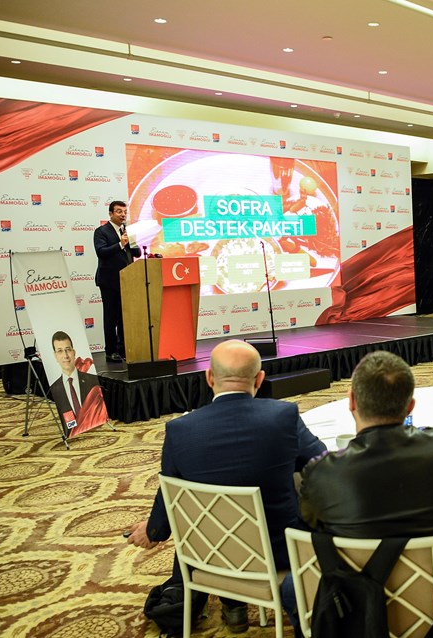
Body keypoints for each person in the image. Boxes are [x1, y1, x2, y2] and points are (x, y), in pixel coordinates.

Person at [128, 340, 326, 633]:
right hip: (278, 554)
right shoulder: (283, 416)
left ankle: (233, 607)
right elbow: (323, 465)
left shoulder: (179, 430)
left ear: (209, 377)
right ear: (260, 379)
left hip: (207, 555)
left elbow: (169, 492)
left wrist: (154, 530)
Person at [288, 351, 433, 637]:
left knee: (291, 587)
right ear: (410, 406)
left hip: (352, 607)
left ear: (351, 401)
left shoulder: (321, 472)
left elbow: (309, 523)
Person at [94, 200, 141, 362]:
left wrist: (131, 242)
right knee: (111, 318)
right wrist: (121, 244)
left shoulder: (127, 231)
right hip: (109, 281)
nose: (123, 215)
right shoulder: (101, 231)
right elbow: (101, 252)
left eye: (125, 212)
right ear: (111, 214)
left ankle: (123, 349)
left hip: (127, 281)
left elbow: (137, 253)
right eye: (119, 211)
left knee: (124, 317)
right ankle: (111, 351)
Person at [47, 330, 106, 437]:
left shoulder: (92, 381)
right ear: (55, 356)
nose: (65, 355)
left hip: (95, 429)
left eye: (68, 350)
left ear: (74, 352)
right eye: (60, 351)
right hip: (71, 433)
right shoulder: (54, 388)